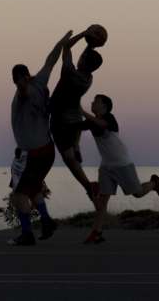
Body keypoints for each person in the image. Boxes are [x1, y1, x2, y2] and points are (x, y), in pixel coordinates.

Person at [7, 30, 72, 247]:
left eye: (19, 79)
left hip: (32, 154)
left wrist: (21, 86)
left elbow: (24, 91)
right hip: (47, 151)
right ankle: (46, 221)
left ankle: (27, 234)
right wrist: (62, 43)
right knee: (33, 187)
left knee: (18, 196)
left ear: (18, 79)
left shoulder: (21, 96)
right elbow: (50, 61)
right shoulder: (40, 82)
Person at [78, 94, 159, 245]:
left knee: (137, 193)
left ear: (104, 106)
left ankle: (154, 183)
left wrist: (82, 111)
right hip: (106, 167)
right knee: (102, 201)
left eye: (96, 101)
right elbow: (75, 126)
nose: (92, 103)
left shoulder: (109, 118)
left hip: (122, 164)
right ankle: (96, 233)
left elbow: (102, 125)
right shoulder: (91, 122)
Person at [50, 31, 104, 200]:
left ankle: (88, 186)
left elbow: (66, 46)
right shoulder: (89, 78)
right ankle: (76, 145)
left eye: (82, 57)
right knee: (73, 144)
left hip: (61, 121)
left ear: (83, 61)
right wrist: (90, 44)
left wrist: (85, 33)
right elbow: (88, 58)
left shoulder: (69, 73)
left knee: (69, 159)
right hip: (75, 118)